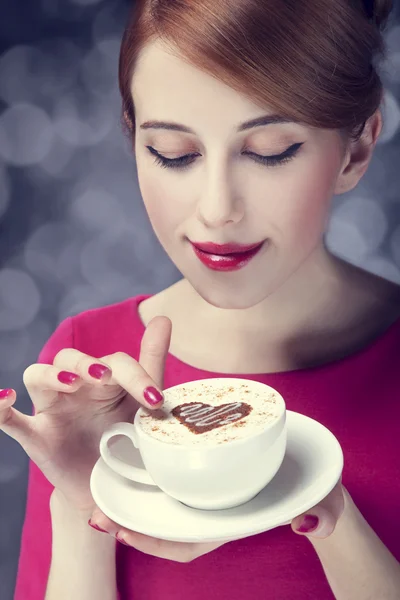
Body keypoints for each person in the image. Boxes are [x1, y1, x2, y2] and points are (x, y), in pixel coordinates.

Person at [1, 0, 400, 598]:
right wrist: (89, 504)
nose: (218, 210)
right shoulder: (88, 366)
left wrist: (332, 517)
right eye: (175, 154)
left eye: (268, 151)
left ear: (357, 147)